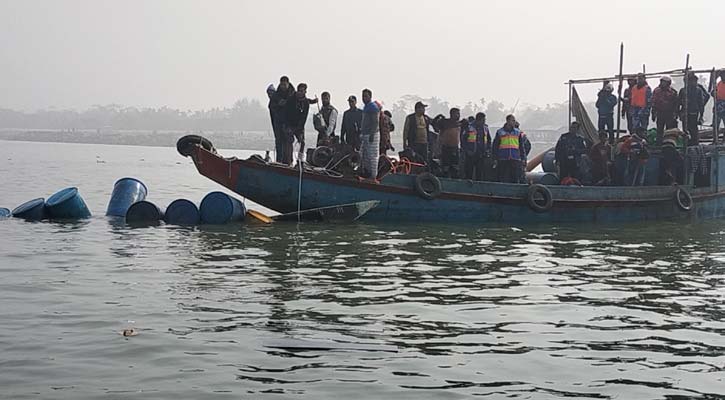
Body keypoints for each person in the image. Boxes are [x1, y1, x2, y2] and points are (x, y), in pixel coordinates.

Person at [284, 83, 318, 165]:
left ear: (305, 92)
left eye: (303, 91)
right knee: (289, 141)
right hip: (290, 124)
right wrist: (287, 126)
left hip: (299, 126)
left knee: (302, 142)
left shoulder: (305, 102)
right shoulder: (291, 99)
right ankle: (289, 161)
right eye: (299, 91)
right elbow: (286, 113)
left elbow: (304, 117)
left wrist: (300, 129)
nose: (301, 93)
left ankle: (299, 161)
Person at [267, 76, 295, 163]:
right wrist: (279, 104)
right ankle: (279, 162)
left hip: (289, 123)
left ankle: (289, 162)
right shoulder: (276, 95)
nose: (283, 86)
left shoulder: (293, 95)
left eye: (284, 84)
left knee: (288, 143)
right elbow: (272, 106)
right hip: (278, 123)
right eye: (281, 84)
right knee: (279, 142)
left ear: (288, 84)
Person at [492, 114, 527, 183]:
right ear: (508, 121)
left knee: (515, 178)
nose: (514, 122)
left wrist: (523, 158)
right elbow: (495, 146)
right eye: (513, 120)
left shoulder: (517, 132)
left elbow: (521, 146)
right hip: (503, 158)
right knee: (503, 177)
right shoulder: (500, 132)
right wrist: (495, 158)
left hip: (515, 158)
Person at [678, 73, 710, 145]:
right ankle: (687, 144)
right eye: (691, 80)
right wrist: (679, 113)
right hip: (685, 113)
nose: (693, 82)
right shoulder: (683, 90)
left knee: (694, 130)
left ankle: (695, 144)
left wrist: (701, 115)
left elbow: (701, 103)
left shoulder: (698, 90)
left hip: (694, 113)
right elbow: (678, 103)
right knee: (685, 130)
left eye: (695, 81)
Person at [460, 112, 492, 180]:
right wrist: (466, 150)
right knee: (469, 172)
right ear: (478, 120)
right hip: (471, 154)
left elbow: (489, 140)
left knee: (479, 173)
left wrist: (487, 150)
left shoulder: (485, 128)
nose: (484, 121)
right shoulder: (469, 127)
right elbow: (463, 140)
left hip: (481, 154)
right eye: (483, 120)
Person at [651, 75, 679, 145]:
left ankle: (668, 144)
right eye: (662, 82)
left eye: (665, 82)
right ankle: (659, 144)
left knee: (669, 130)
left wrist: (676, 113)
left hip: (669, 113)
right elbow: (654, 102)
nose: (663, 84)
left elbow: (676, 103)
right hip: (660, 113)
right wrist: (653, 113)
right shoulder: (657, 91)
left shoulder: (673, 92)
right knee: (659, 129)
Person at [359, 88, 381, 179]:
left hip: (372, 134)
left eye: (366, 96)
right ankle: (367, 173)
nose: (364, 98)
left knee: (373, 157)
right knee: (365, 155)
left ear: (370, 97)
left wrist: (372, 134)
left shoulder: (373, 107)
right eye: (363, 96)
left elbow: (375, 122)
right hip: (365, 134)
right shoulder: (366, 107)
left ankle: (373, 176)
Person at [434, 108, 461, 178]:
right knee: (446, 167)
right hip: (446, 147)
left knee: (455, 167)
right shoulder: (445, 122)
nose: (459, 115)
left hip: (455, 148)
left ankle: (455, 181)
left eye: (459, 114)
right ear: (452, 114)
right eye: (457, 114)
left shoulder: (459, 123)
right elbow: (434, 124)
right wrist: (438, 116)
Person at [715, 70, 725, 138]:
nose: (722, 77)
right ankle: (715, 139)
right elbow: (715, 92)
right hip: (718, 104)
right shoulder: (719, 83)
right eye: (721, 76)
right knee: (716, 123)